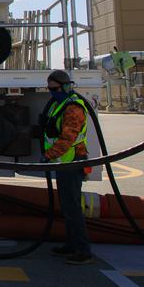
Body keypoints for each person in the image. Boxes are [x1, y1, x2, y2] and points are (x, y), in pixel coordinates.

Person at [39, 70, 93, 265]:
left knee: (72, 208)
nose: (51, 92)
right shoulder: (59, 104)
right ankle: (71, 244)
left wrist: (48, 155)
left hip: (72, 162)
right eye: (49, 89)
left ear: (65, 87)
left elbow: (68, 138)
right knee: (68, 206)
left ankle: (83, 250)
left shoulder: (73, 109)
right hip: (64, 163)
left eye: (54, 88)